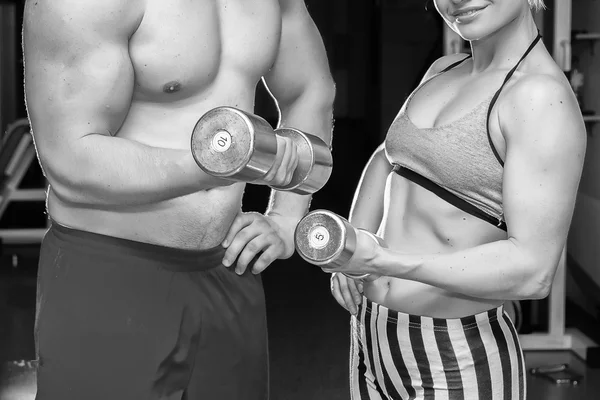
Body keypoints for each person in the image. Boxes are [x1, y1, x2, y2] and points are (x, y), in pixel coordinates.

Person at [22, 0, 335, 399]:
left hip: (227, 269)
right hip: (110, 273)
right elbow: (70, 161)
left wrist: (286, 218)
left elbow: (310, 89)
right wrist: (221, 165)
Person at [328, 0, 586, 399]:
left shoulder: (538, 97)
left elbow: (534, 270)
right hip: (372, 334)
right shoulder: (442, 69)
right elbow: (388, 158)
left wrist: (383, 262)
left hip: (456, 355)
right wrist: (352, 246)